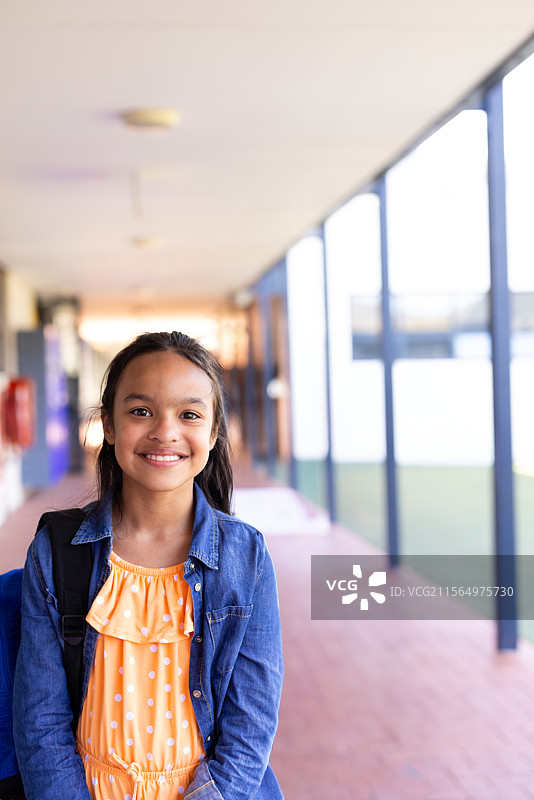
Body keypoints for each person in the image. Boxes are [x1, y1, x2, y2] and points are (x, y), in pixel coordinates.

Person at [13, 331, 284, 800]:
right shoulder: (56, 550)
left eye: (189, 414)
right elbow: (40, 721)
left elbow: (251, 723)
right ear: (109, 425)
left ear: (213, 432)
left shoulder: (246, 556)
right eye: (141, 411)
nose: (164, 431)